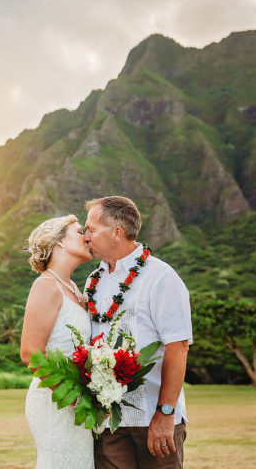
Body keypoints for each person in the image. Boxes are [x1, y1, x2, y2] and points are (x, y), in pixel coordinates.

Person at [83, 196, 192, 469]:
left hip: (153, 417)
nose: (85, 237)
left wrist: (165, 413)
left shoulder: (161, 277)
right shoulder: (93, 281)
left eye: (91, 230)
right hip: (109, 420)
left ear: (116, 232)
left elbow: (178, 346)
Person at [20, 214, 95, 469]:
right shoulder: (46, 286)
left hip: (78, 400)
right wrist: (72, 395)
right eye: (79, 231)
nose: (87, 237)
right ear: (60, 242)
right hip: (55, 400)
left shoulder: (75, 289)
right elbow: (30, 353)